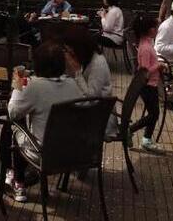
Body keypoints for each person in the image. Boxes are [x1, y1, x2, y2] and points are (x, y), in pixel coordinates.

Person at [7, 41, 82, 202]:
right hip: (73, 152)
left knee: (14, 128)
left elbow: (12, 112)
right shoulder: (72, 84)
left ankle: (18, 181)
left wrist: (17, 84)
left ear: (38, 64)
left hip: (45, 154)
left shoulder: (34, 86)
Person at [62, 27, 118, 138]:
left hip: (100, 116)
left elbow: (92, 97)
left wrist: (77, 72)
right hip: (89, 108)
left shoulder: (97, 63)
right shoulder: (86, 58)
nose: (69, 53)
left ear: (79, 47)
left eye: (69, 50)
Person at [134, 14, 169, 154]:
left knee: (154, 113)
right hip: (147, 85)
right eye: (155, 28)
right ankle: (131, 130)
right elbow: (145, 71)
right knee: (154, 114)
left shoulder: (147, 43)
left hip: (151, 84)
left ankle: (146, 139)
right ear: (150, 30)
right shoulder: (145, 47)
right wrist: (158, 65)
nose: (157, 30)